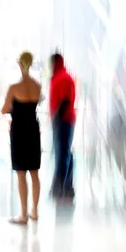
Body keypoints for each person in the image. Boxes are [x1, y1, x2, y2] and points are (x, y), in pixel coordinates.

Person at [1, 51, 42, 224]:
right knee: (34, 173)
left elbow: (4, 109)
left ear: (19, 64)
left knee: (21, 174)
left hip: (18, 132)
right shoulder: (37, 86)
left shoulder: (13, 88)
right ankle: (34, 211)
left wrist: (11, 108)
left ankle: (23, 214)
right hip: (33, 130)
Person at [49, 53, 76, 199]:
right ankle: (67, 187)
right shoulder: (58, 77)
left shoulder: (64, 78)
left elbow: (65, 100)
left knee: (63, 154)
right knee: (65, 154)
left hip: (64, 121)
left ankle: (58, 187)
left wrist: (56, 119)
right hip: (61, 120)